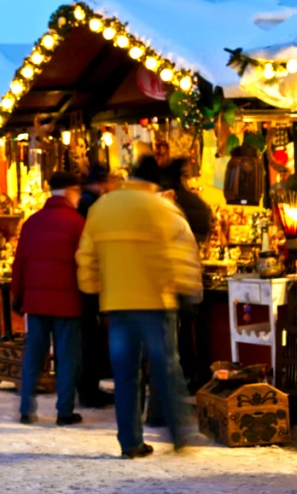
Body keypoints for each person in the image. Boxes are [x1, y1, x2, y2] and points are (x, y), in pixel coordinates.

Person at [77, 156, 203, 459]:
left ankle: (131, 442)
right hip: (157, 304)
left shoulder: (101, 208)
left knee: (125, 375)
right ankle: (178, 435)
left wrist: (93, 288)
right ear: (154, 181)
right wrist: (188, 291)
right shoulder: (162, 208)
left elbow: (85, 256)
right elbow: (183, 253)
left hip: (117, 306)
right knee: (166, 368)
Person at [12, 171, 86, 426]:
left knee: (34, 355)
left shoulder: (31, 222)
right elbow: (83, 264)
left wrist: (18, 295)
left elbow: (19, 263)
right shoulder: (77, 223)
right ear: (69, 192)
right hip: (67, 302)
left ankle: (26, 408)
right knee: (67, 358)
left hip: (36, 302)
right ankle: (64, 411)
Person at [161, 159, 213, 395]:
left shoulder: (165, 216)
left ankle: (168, 396)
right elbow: (190, 253)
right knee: (179, 340)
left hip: (162, 290)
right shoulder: (183, 214)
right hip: (179, 286)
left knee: (165, 347)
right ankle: (186, 382)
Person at [76, 164, 115, 408]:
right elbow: (92, 251)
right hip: (91, 287)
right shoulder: (92, 206)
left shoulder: (86, 203)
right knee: (90, 340)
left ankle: (89, 390)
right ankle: (89, 392)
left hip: (86, 285)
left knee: (88, 341)